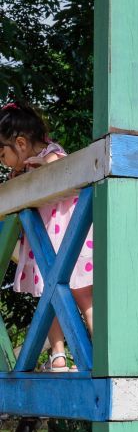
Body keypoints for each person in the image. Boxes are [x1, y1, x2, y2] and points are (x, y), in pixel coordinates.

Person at [0, 102, 93, 372]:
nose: (2, 162)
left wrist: (42, 164)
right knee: (49, 298)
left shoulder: (52, 152)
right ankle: (58, 356)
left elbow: (61, 165)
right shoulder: (24, 169)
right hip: (45, 242)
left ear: (20, 143)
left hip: (69, 239)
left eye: (3, 154)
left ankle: (102, 356)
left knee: (84, 297)